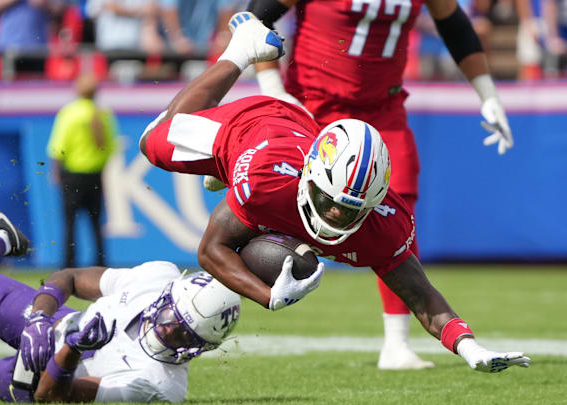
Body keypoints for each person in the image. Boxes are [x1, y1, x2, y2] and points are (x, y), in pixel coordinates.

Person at [139, 12, 530, 374]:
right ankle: (240, 49)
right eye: (331, 202)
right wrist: (267, 296)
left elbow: (422, 297)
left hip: (296, 148)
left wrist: (470, 348)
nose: (336, 217)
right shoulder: (263, 181)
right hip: (253, 130)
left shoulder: (383, 223)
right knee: (152, 141)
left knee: (269, 221)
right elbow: (210, 250)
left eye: (351, 209)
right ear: (312, 178)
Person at [241, 0, 516, 369]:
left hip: (381, 109)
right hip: (312, 105)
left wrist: (488, 94)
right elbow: (257, 14)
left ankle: (396, 344)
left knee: (397, 215)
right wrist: (272, 86)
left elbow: (454, 25)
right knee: (265, 197)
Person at [0, 191, 241, 403]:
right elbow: (70, 278)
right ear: (168, 297)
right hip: (56, 322)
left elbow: (51, 397)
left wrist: (72, 350)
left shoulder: (159, 386)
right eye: (176, 320)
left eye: (186, 335)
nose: (171, 331)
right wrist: (39, 319)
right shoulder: (159, 277)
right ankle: (0, 237)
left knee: (3, 378)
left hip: (62, 369)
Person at [47, 73, 118, 268]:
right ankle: (100, 264)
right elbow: (110, 147)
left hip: (72, 175)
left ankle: (69, 265)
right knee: (96, 223)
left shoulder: (70, 113)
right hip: (95, 174)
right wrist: (99, 166)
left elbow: (58, 145)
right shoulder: (103, 114)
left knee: (70, 224)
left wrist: (55, 171)